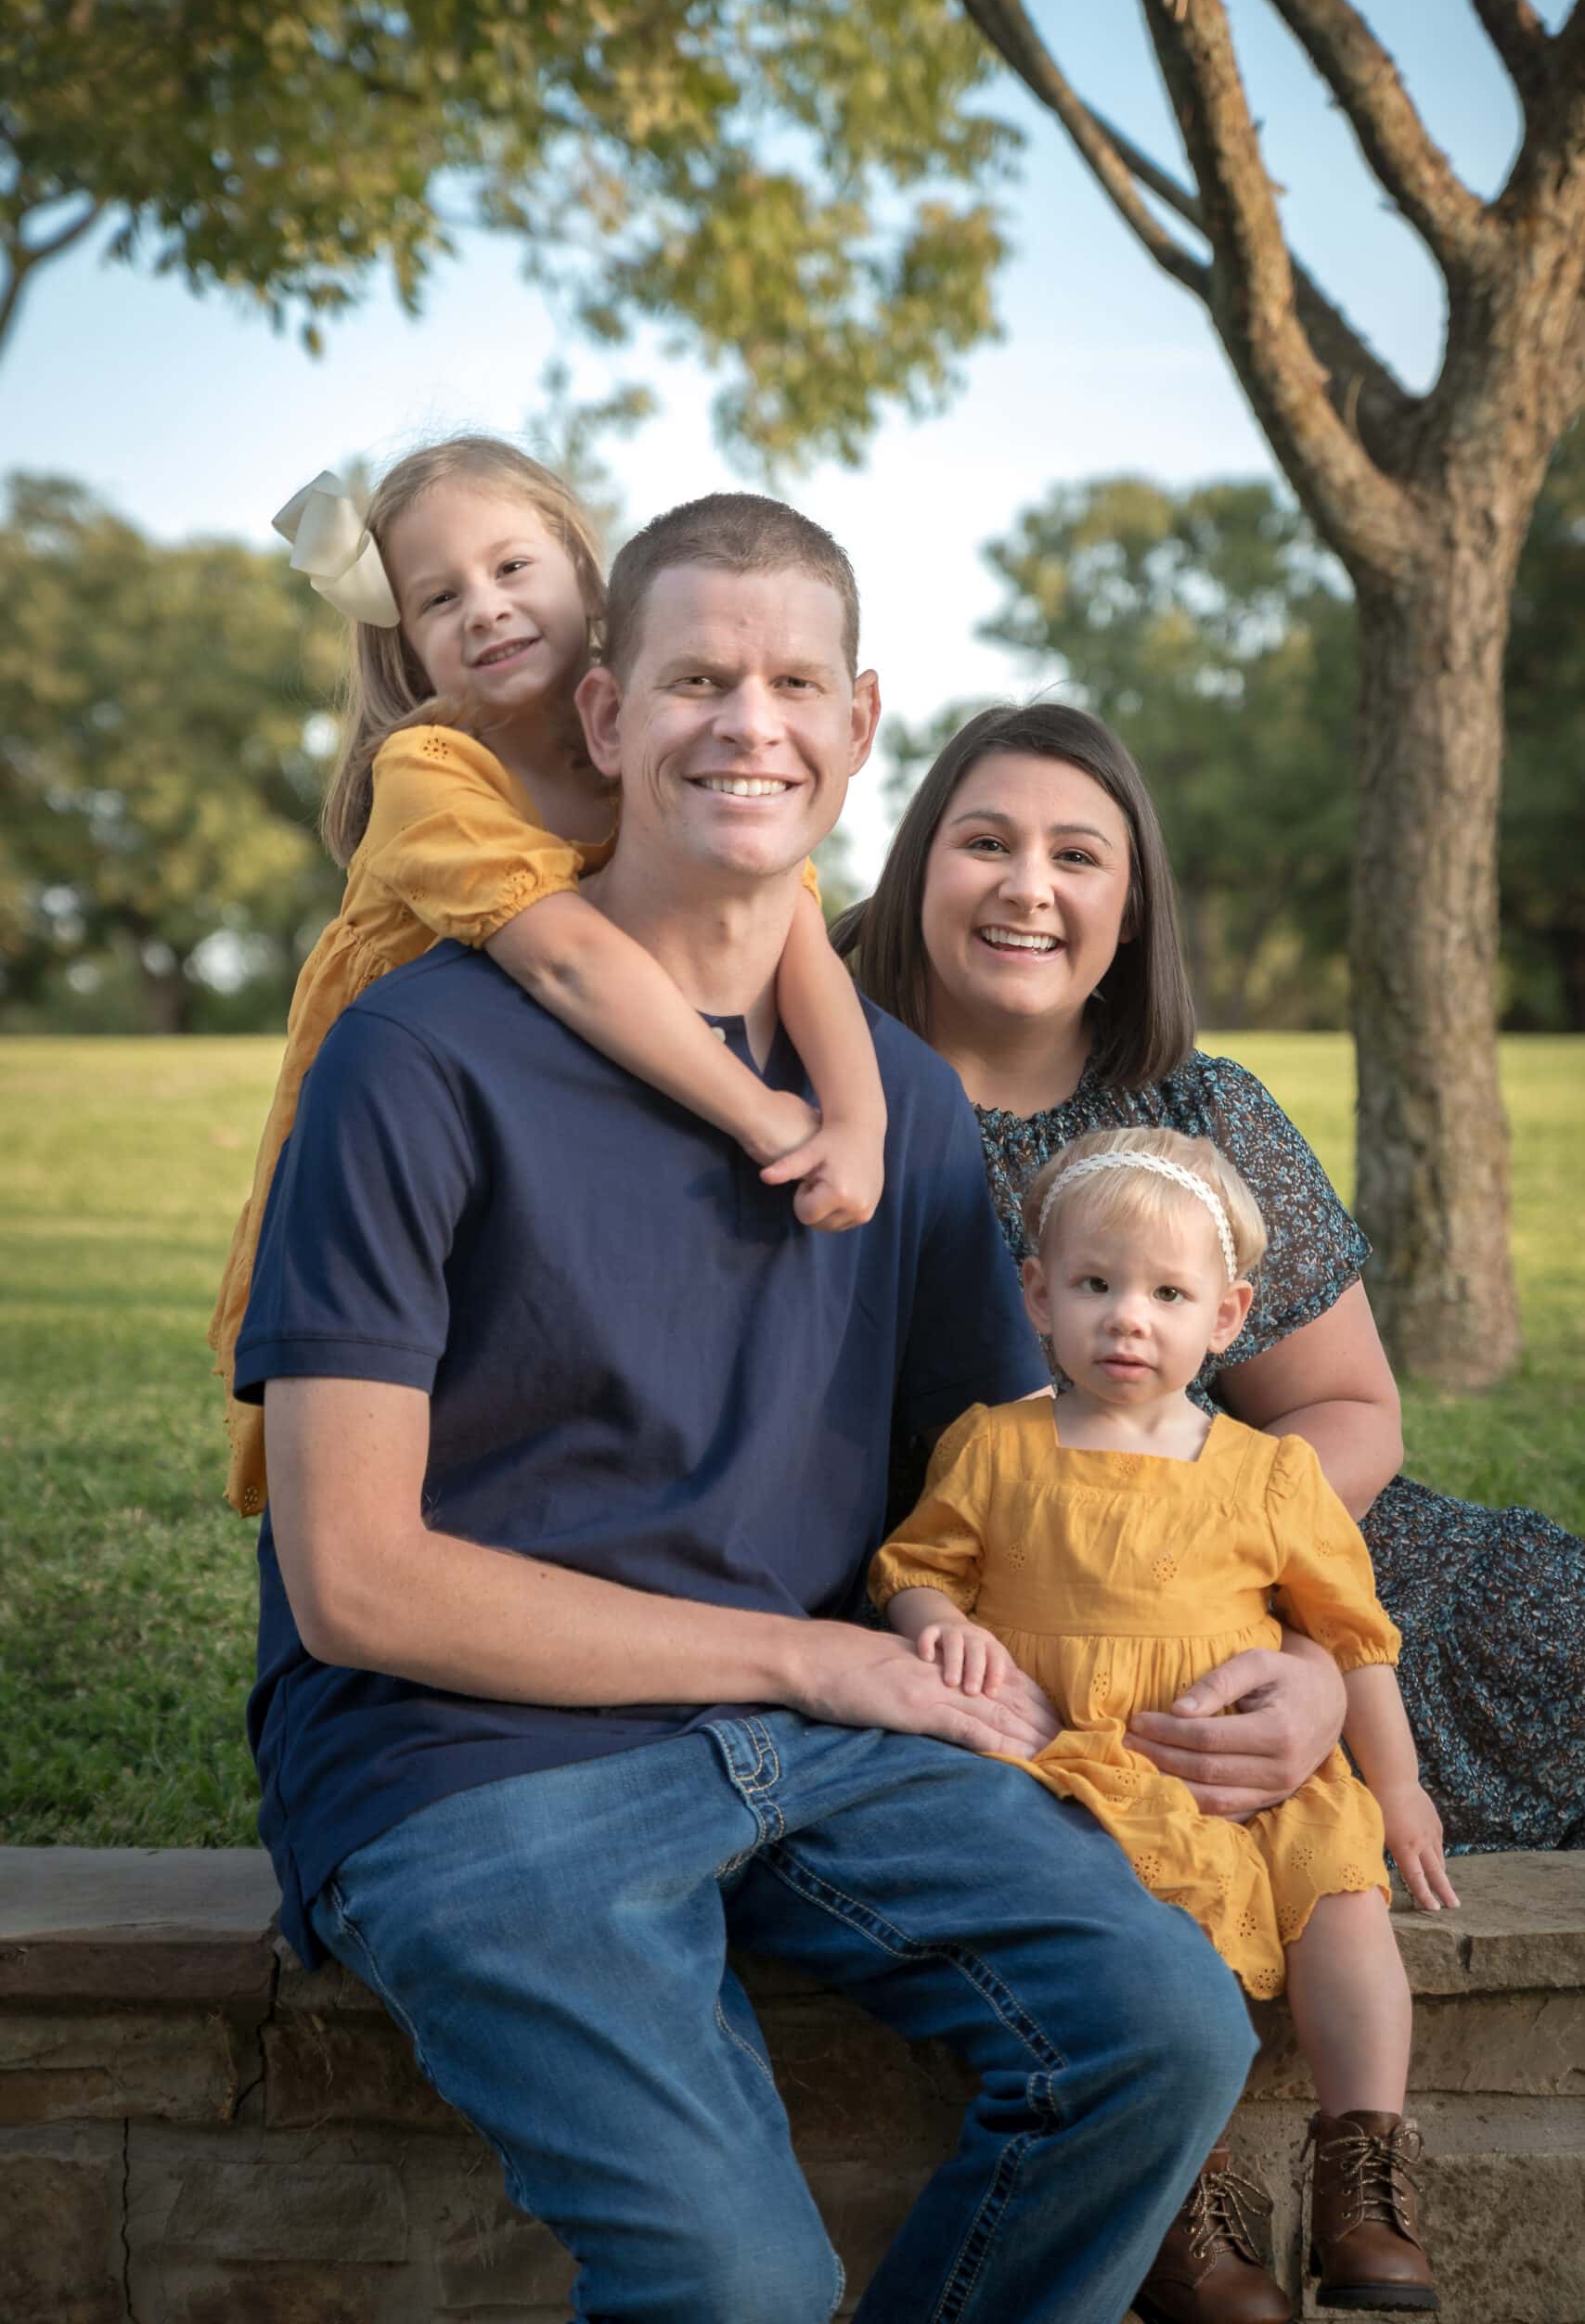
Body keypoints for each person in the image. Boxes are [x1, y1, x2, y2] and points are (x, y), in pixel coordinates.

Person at [236, 494, 1258, 2324]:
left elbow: (997, 1497)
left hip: (823, 1734)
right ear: (607, 714)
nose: (748, 723)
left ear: (861, 725)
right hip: (462, 1754)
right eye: (698, 677)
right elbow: (354, 1585)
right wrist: (803, 1661)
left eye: (793, 682)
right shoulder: (413, 1059)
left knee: (1162, 2033)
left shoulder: (912, 1115)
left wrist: (1274, 1671)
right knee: (735, 2276)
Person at [834, 700, 1584, 1862]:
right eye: (985, 843)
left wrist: (1298, 1645)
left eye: (1077, 856)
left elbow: (1343, 1408)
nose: (1028, 887)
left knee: (1555, 1620)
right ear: (915, 868)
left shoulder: (1204, 1109)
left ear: (1129, 912)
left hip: (1288, 1572)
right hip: (1010, 1617)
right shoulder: (827, 1099)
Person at [210, 438, 884, 1516]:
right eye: (439, 598)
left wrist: (856, 1120)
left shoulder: (651, 749)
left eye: (511, 568)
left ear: (585, 573)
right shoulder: (432, 771)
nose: (484, 608)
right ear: (405, 647)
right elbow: (565, 961)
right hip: (416, 1120)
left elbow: (797, 924)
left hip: (583, 1091)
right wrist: (763, 1113)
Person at [873, 1125, 1450, 2319]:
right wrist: (942, 1622)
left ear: (1227, 1315)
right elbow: (912, 1567)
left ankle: (1361, 2169)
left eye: (1167, 1293)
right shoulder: (995, 1446)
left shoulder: (1266, 1473)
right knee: (1141, 1951)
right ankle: (1186, 2196)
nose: (1127, 1319)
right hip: (1089, 1770)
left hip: (1259, 1775)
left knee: (1340, 1903)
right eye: (1094, 1285)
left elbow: (1349, 1633)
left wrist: (1393, 1788)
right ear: (1038, 1293)